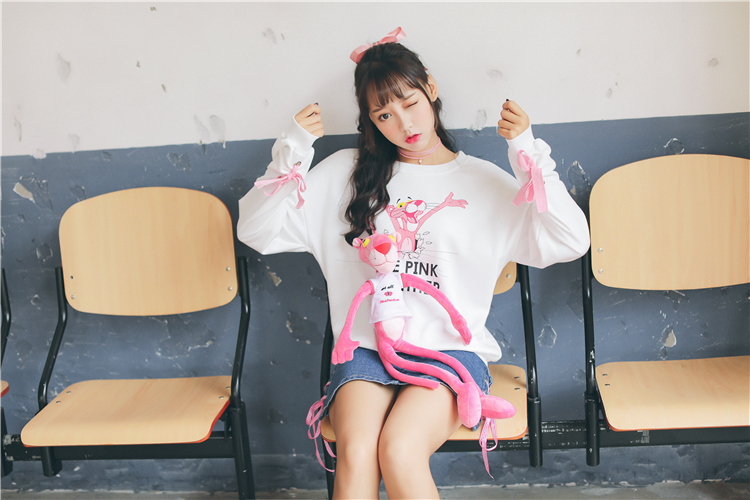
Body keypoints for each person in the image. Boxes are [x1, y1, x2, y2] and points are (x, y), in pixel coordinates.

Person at [238, 29, 590, 500]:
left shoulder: (483, 182)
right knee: (357, 448)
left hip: (449, 355)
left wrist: (528, 156)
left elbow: (572, 240)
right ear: (370, 121)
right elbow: (256, 230)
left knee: (400, 449)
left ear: (431, 88)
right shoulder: (346, 173)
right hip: (366, 352)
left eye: (410, 103)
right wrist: (293, 151)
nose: (403, 123)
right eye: (384, 114)